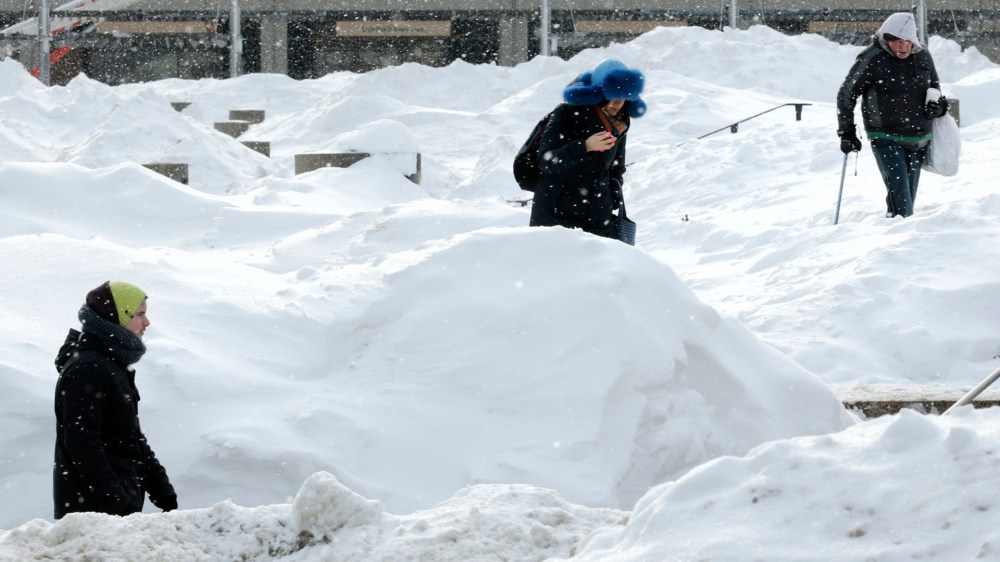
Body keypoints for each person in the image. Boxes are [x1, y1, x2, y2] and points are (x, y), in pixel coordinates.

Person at [53, 280, 177, 519]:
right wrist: (118, 505)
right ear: (118, 315)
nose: (147, 322)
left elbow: (129, 437)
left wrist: (161, 489)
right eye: (140, 314)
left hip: (112, 510)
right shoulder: (89, 368)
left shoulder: (110, 366)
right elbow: (82, 444)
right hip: (91, 518)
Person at [836, 12, 949, 218]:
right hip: (885, 136)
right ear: (885, 38)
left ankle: (895, 228)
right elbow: (846, 95)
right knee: (901, 194)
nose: (903, 47)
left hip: (918, 138)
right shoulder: (872, 58)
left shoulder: (923, 56)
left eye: (907, 41)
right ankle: (902, 237)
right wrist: (847, 132)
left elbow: (936, 91)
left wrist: (939, 108)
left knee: (906, 197)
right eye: (896, 42)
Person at [529, 59, 646, 239]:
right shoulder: (567, 113)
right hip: (556, 212)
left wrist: (611, 197)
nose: (618, 103)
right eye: (612, 96)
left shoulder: (620, 121)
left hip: (598, 214)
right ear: (598, 94)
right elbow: (546, 161)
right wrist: (585, 146)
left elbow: (616, 167)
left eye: (623, 97)